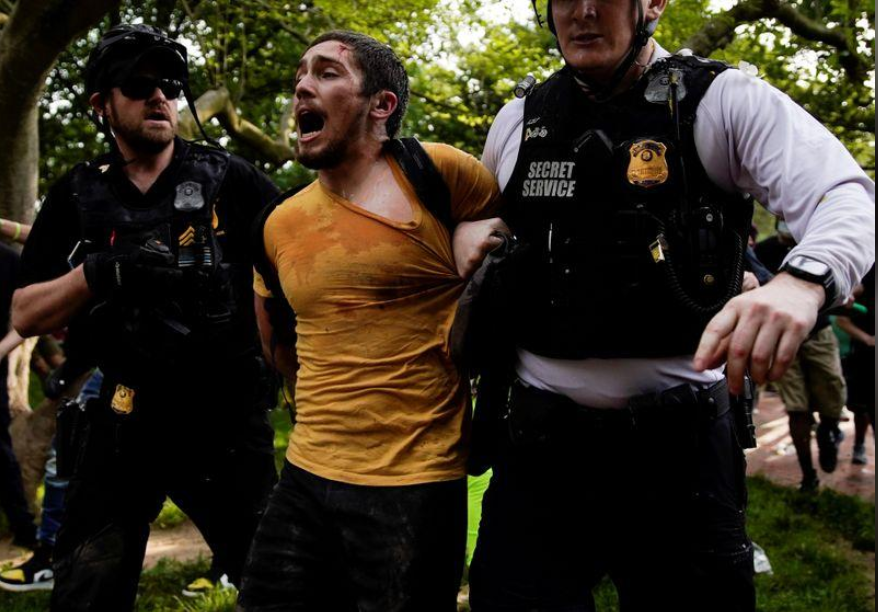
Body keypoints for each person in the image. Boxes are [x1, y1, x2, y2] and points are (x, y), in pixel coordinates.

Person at [466, 0, 875, 610]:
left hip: (681, 456)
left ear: (652, 4)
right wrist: (466, 228)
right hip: (539, 454)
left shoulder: (724, 99)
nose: (582, 11)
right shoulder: (518, 120)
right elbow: (480, 219)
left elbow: (845, 195)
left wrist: (802, 281)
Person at [11, 24, 280, 611]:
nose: (159, 96)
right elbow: (25, 313)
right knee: (87, 587)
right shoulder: (78, 194)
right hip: (125, 416)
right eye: (138, 85)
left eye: (170, 85)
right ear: (101, 105)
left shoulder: (228, 176)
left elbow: (307, 253)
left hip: (227, 420)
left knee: (278, 585)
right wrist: (102, 271)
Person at [237, 30, 502, 612]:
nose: (303, 83)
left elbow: (516, 245)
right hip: (305, 474)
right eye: (301, 75)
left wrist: (477, 231)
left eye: (328, 72)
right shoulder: (277, 223)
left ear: (382, 105)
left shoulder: (439, 174)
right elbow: (275, 337)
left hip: (416, 485)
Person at [754, 222, 849, 490]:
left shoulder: (818, 245)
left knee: (833, 396)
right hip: (781, 339)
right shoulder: (765, 250)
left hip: (819, 334)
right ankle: (809, 476)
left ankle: (828, 430)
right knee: (797, 409)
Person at [0, 241, 38, 552]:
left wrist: (1, 351)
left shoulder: (10, 261)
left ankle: (24, 529)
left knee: (1, 454)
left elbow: (30, 316)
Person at [836, 266, 875, 465]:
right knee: (862, 407)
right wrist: (867, 339)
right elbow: (842, 320)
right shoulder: (867, 278)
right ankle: (859, 444)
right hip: (864, 357)